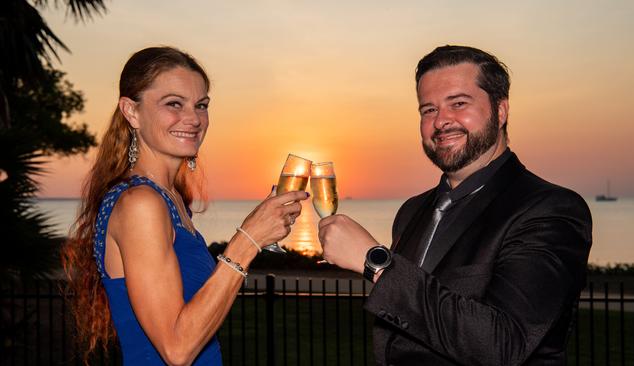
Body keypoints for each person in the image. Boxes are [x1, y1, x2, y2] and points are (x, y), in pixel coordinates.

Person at [318, 45, 592, 365]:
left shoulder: (549, 209)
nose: (441, 121)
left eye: (458, 103)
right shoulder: (411, 212)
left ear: (500, 111)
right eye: (428, 110)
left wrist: (376, 263)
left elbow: (503, 344)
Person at [61, 46, 308, 365]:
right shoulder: (140, 203)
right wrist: (247, 241)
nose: (193, 119)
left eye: (201, 105)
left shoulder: (172, 201)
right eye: (174, 104)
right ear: (131, 111)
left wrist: (256, 234)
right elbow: (177, 349)